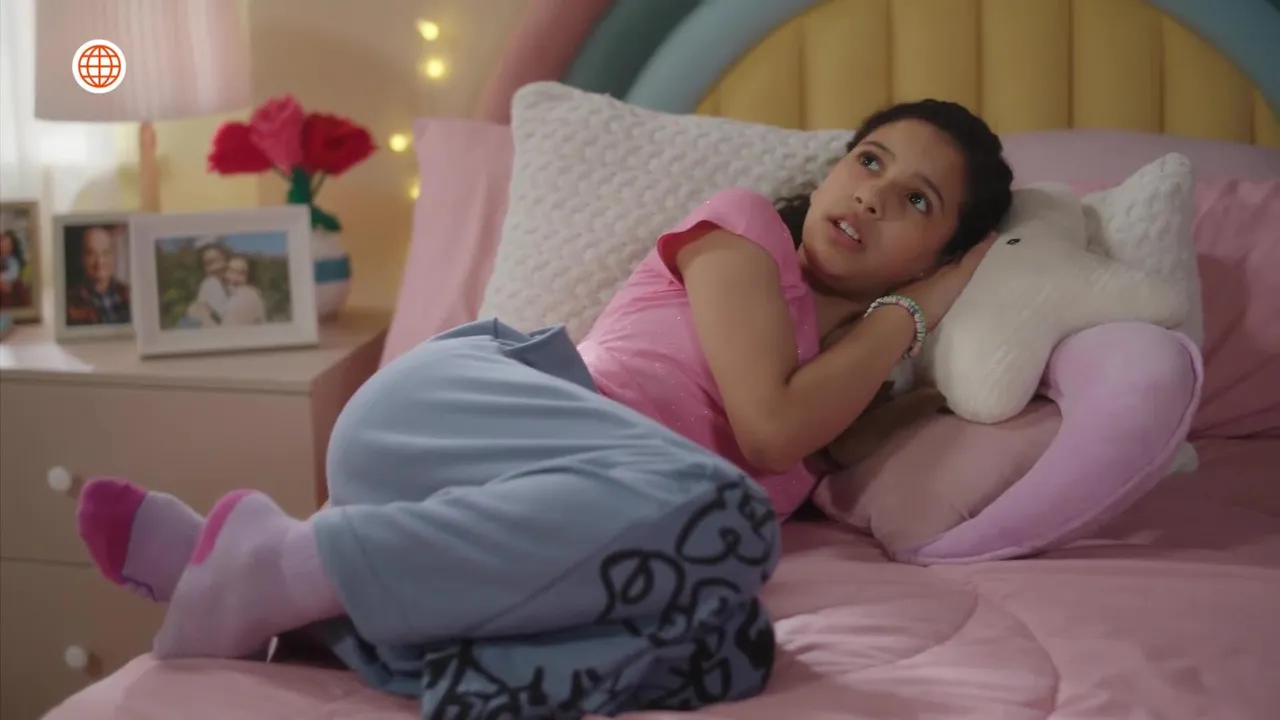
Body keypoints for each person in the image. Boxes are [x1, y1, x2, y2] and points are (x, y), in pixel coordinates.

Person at [74, 99, 1013, 717]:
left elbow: (828, 441)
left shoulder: (839, 382)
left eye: (915, 201)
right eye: (870, 161)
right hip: (455, 412)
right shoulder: (746, 231)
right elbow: (771, 431)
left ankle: (272, 581)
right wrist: (910, 312)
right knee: (723, 524)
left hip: (508, 516)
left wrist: (951, 353)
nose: (872, 196)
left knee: (721, 640)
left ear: (941, 254)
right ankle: (282, 563)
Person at [65, 225, 132, 326]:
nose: (99, 262)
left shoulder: (129, 295)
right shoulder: (69, 303)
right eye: (91, 254)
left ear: (113, 257)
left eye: (105, 253)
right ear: (82, 259)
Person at [220, 254, 267, 325]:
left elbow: (231, 328)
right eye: (228, 271)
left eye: (231, 271)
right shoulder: (252, 295)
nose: (226, 275)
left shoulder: (243, 297)